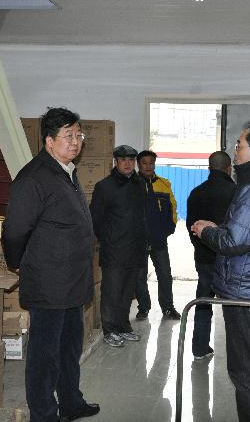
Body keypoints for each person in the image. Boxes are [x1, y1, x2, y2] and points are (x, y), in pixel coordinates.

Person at [1, 107, 100, 422]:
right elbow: (15, 229)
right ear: (48, 141)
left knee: (69, 348)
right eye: (68, 136)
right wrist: (17, 263)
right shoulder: (34, 177)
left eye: (79, 135)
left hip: (72, 280)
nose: (76, 142)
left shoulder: (66, 171)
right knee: (44, 355)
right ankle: (43, 414)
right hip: (49, 282)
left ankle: (71, 403)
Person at [191, 122, 250, 422]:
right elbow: (247, 232)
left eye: (239, 145)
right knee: (248, 367)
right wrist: (219, 228)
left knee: (244, 371)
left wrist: (206, 231)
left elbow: (236, 242)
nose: (235, 151)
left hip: (246, 291)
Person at [90, 144, 148, 348]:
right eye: (123, 160)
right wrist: (109, 239)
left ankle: (123, 327)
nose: (128, 164)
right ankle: (110, 330)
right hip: (114, 249)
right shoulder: (104, 187)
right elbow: (95, 219)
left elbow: (142, 215)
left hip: (135, 248)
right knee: (112, 291)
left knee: (127, 291)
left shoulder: (140, 184)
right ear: (115, 162)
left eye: (131, 160)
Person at [186, 151, 236, 360]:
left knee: (203, 301)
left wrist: (201, 248)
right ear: (229, 169)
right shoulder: (237, 192)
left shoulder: (196, 192)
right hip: (230, 260)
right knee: (233, 307)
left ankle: (199, 347)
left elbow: (191, 227)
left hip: (204, 257)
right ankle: (237, 352)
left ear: (209, 168)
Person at [135, 150, 182, 321]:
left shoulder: (164, 184)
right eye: (144, 163)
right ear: (138, 165)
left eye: (151, 163)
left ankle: (168, 308)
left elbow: (173, 209)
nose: (148, 167)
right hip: (138, 241)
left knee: (165, 275)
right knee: (139, 277)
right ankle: (143, 308)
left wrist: (169, 228)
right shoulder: (131, 185)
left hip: (159, 240)